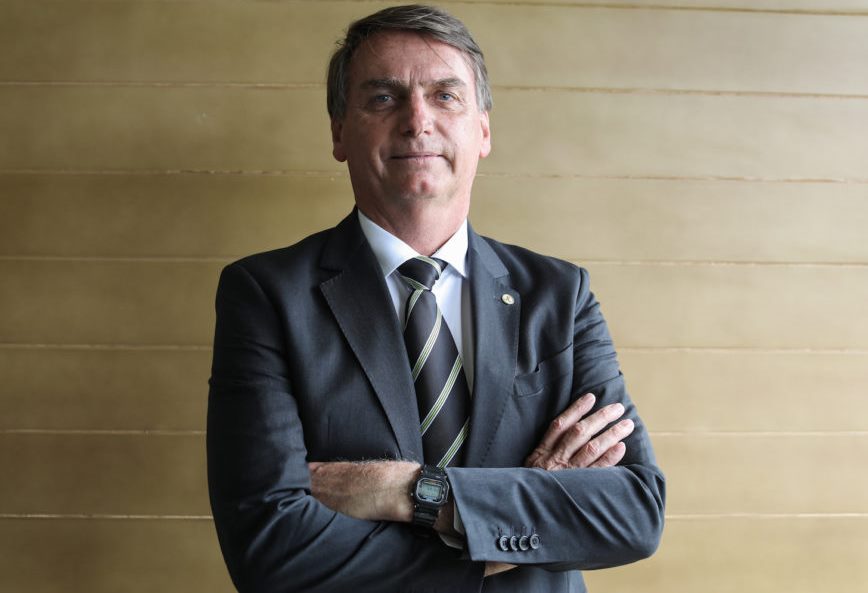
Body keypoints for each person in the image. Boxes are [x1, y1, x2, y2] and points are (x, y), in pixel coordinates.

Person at [207, 5, 665, 592]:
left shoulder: (559, 294)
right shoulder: (265, 295)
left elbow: (633, 511)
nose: (417, 121)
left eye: (445, 96)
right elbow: (268, 548)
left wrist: (410, 491)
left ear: (483, 130)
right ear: (339, 132)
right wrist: (513, 527)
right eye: (383, 98)